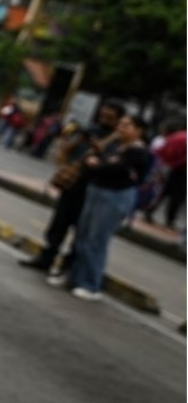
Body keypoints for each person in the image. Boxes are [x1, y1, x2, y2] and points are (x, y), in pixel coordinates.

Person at [19, 101, 124, 275]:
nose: (104, 120)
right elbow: (67, 150)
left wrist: (99, 151)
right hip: (72, 184)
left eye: (110, 117)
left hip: (92, 189)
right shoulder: (90, 131)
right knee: (59, 223)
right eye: (103, 115)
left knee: (81, 230)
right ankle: (47, 257)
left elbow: (112, 163)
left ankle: (68, 266)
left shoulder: (116, 141)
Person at [56, 116, 149, 300]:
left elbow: (114, 169)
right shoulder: (115, 147)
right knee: (83, 236)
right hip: (97, 190)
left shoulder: (138, 152)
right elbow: (98, 163)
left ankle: (90, 284)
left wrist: (99, 164)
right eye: (120, 124)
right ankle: (75, 277)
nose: (121, 128)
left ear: (138, 131)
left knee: (97, 240)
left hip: (114, 196)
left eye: (127, 125)